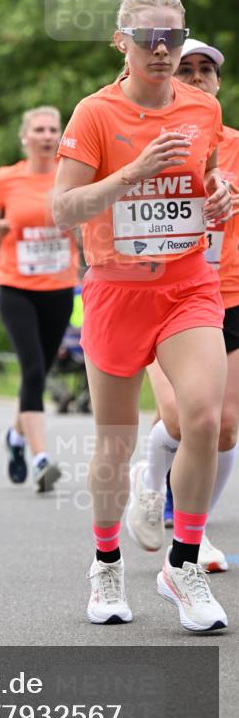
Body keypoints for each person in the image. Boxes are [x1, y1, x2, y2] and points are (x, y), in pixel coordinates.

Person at [53, 0, 232, 633]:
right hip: (115, 291)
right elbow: (63, 207)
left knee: (204, 419)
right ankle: (104, 559)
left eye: (173, 39)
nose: (162, 51)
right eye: (148, 39)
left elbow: (202, 180)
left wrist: (215, 198)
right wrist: (129, 175)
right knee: (115, 439)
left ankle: (181, 566)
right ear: (120, 43)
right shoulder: (94, 114)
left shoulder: (200, 109)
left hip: (187, 285)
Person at [126, 38, 239, 572]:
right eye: (185, 69)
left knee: (222, 425)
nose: (195, 78)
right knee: (177, 416)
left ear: (217, 84)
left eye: (205, 71)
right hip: (163, 294)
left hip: (231, 298)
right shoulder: (139, 136)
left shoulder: (232, 144)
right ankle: (149, 481)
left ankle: (191, 537)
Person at [0, 106, 78, 491]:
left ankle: (15, 437)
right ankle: (40, 459)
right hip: (15, 287)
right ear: (25, 136)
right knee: (33, 369)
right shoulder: (7, 177)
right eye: (39, 129)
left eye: (54, 129)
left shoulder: (70, 175)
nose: (48, 135)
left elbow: (87, 212)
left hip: (58, 288)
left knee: (39, 370)